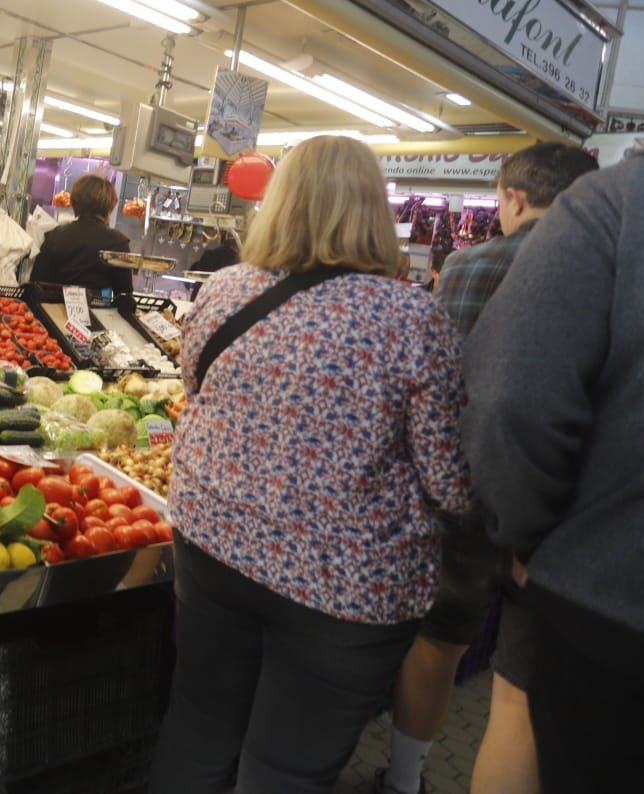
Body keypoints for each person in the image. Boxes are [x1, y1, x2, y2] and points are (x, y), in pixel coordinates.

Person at [150, 136, 469, 794]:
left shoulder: (225, 288)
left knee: (200, 724)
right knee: (287, 765)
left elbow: (193, 385)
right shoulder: (413, 317)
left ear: (279, 203)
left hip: (213, 542)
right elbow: (448, 481)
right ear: (371, 210)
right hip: (343, 585)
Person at [379, 143, 598, 794]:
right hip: (555, 505)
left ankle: (402, 778)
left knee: (437, 645)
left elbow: (432, 376)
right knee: (520, 680)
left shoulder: (468, 265)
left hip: (456, 487)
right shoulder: (600, 271)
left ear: (512, 198)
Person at [460, 139, 644, 791]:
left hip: (607, 601)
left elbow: (511, 397)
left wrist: (522, 536)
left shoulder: (622, 202)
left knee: (518, 717)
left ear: (514, 196)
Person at [29, 175, 131, 295]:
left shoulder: (55, 236)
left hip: (54, 310)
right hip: (98, 311)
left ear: (74, 202)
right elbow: (125, 294)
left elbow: (36, 283)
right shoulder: (119, 242)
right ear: (109, 206)